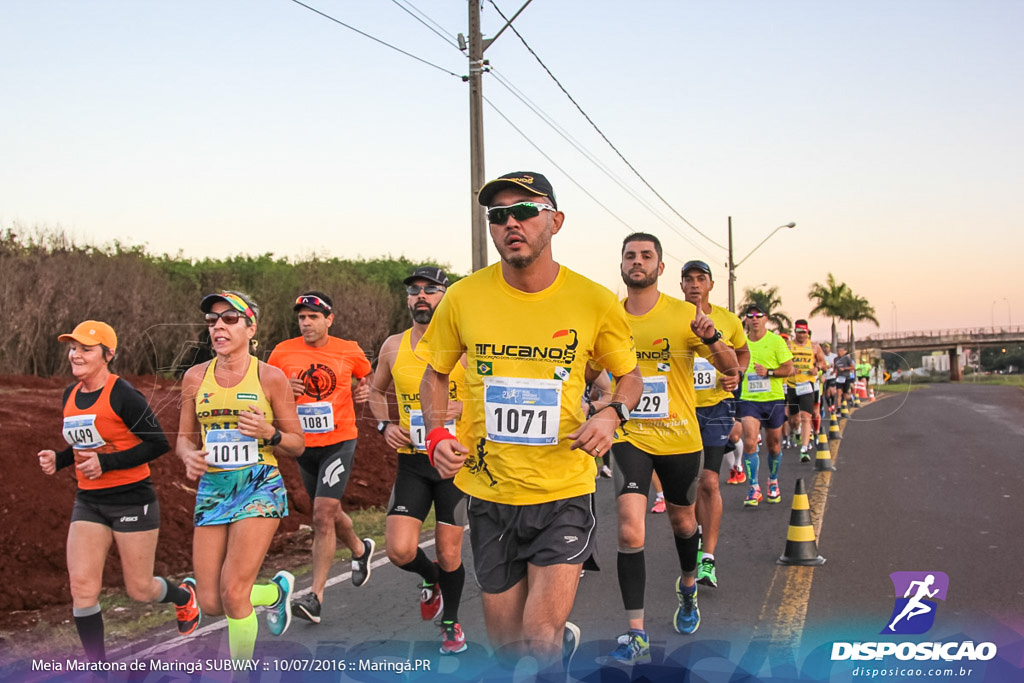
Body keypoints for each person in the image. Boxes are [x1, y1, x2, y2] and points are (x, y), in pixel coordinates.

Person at [420, 171, 643, 673]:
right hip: (491, 494)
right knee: (508, 652)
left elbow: (631, 378)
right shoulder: (462, 297)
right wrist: (437, 434)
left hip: (563, 489)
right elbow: (433, 376)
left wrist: (612, 413)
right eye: (499, 216)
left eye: (525, 211)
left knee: (539, 637)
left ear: (555, 221)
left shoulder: (592, 300)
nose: (511, 223)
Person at [603, 236, 737, 664]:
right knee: (629, 527)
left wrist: (713, 336)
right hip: (629, 435)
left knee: (683, 523)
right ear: (621, 265)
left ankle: (688, 587)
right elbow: (588, 365)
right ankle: (635, 631)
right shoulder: (606, 316)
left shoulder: (685, 315)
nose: (637, 262)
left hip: (680, 437)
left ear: (660, 268)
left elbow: (731, 367)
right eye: (630, 256)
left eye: (646, 256)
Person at [37, 321, 200, 662]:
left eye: (86, 349)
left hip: (132, 498)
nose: (76, 354)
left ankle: (183, 596)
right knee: (81, 588)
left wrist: (106, 465)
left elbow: (157, 444)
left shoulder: (123, 394)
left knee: (140, 589)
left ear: (108, 355)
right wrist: (60, 458)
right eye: (73, 348)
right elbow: (86, 446)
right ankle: (98, 668)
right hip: (90, 501)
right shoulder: (70, 395)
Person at [177, 291, 305, 661]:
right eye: (213, 320)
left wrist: (270, 434)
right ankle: (275, 593)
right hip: (214, 488)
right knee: (211, 601)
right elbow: (184, 440)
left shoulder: (270, 377)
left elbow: (296, 444)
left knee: (234, 593)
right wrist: (189, 456)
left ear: (251, 328)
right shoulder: (194, 378)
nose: (219, 326)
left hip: (258, 484)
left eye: (230, 319)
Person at [368, 266, 471, 655]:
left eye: (430, 289)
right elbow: (376, 392)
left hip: (453, 465)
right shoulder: (393, 346)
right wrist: (382, 425)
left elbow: (490, 392)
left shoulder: (464, 345)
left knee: (449, 552)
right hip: (412, 460)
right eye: (414, 290)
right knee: (399, 551)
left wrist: (456, 407)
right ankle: (431, 580)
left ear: (445, 296)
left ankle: (451, 623)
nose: (421, 296)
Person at [267, 291, 376, 625]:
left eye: (313, 317)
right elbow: (267, 390)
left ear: (329, 319)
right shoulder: (282, 352)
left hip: (339, 441)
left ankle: (315, 597)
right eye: (301, 317)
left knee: (322, 513)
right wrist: (285, 388)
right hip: (303, 446)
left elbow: (366, 375)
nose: (306, 323)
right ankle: (360, 550)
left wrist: (364, 389)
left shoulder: (349, 350)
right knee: (327, 512)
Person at [679, 260, 749, 591]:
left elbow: (743, 353)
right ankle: (692, 536)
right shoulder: (671, 316)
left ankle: (707, 558)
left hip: (715, 408)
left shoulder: (729, 320)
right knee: (688, 485)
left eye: (700, 279)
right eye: (688, 279)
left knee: (709, 481)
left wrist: (737, 373)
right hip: (678, 410)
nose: (694, 284)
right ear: (681, 286)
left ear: (710, 285)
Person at [736, 304, 794, 507]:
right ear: (746, 320)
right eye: (750, 316)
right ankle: (754, 487)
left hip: (773, 399)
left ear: (765, 319)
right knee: (750, 441)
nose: (754, 320)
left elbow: (789, 369)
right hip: (749, 399)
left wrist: (768, 372)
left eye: (758, 316)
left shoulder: (776, 341)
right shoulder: (740, 341)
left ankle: (773, 481)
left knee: (774, 445)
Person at [784, 320, 828, 462]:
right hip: (792, 384)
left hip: (807, 385)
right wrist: (789, 369)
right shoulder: (789, 345)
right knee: (794, 418)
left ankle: (804, 446)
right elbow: (781, 362)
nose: (802, 335)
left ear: (807, 332)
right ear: (795, 332)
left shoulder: (814, 347)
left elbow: (823, 363)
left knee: (805, 416)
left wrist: (817, 368)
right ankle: (795, 431)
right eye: (799, 332)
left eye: (804, 332)